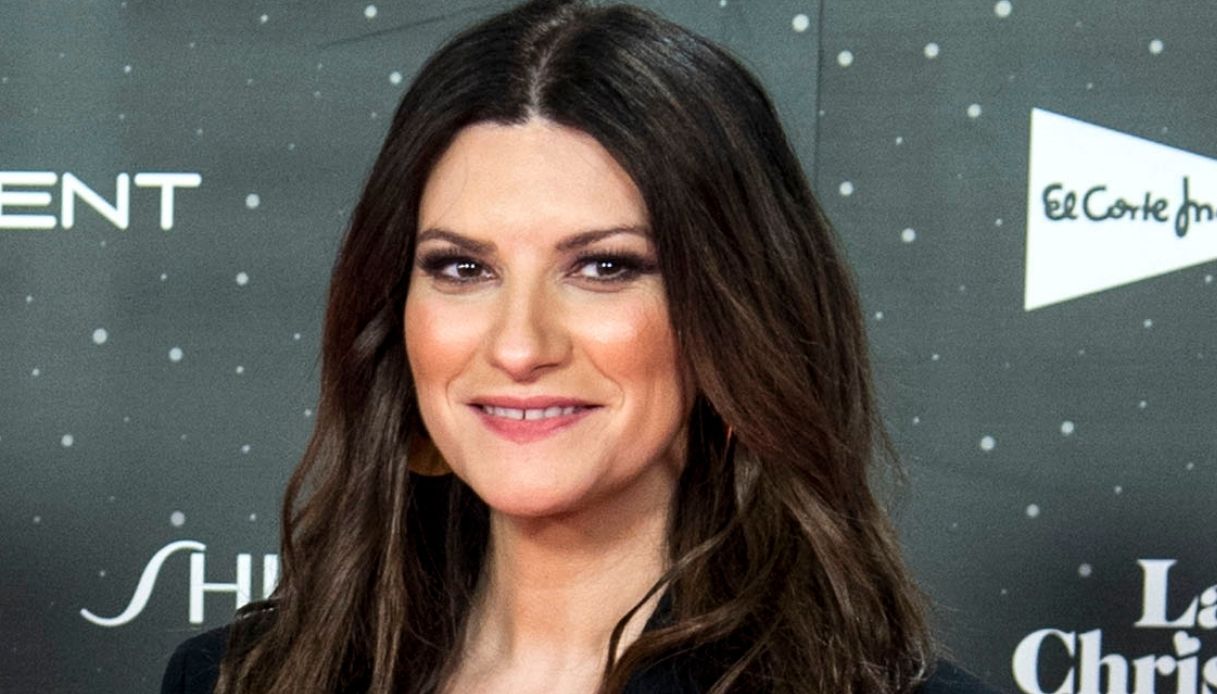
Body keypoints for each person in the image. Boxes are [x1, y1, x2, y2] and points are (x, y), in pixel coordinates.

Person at [162, 1, 998, 692]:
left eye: (604, 267)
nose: (519, 345)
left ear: (733, 311)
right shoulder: (237, 678)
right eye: (462, 268)